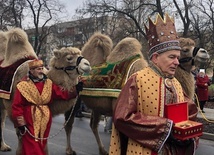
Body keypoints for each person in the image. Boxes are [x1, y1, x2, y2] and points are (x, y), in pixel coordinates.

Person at [109, 14, 198, 155]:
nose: (177, 62)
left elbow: (190, 110)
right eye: (172, 57)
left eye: (178, 58)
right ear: (156, 58)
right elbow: (122, 117)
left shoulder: (176, 83)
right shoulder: (137, 80)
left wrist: (188, 135)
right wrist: (165, 129)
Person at [12, 59, 82, 155]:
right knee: (32, 143)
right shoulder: (22, 85)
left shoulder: (48, 83)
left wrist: (75, 90)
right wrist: (20, 123)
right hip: (30, 118)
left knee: (42, 143)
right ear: (31, 71)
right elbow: (17, 106)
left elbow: (61, 93)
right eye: (38, 69)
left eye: (41, 68)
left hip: (45, 118)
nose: (41, 71)